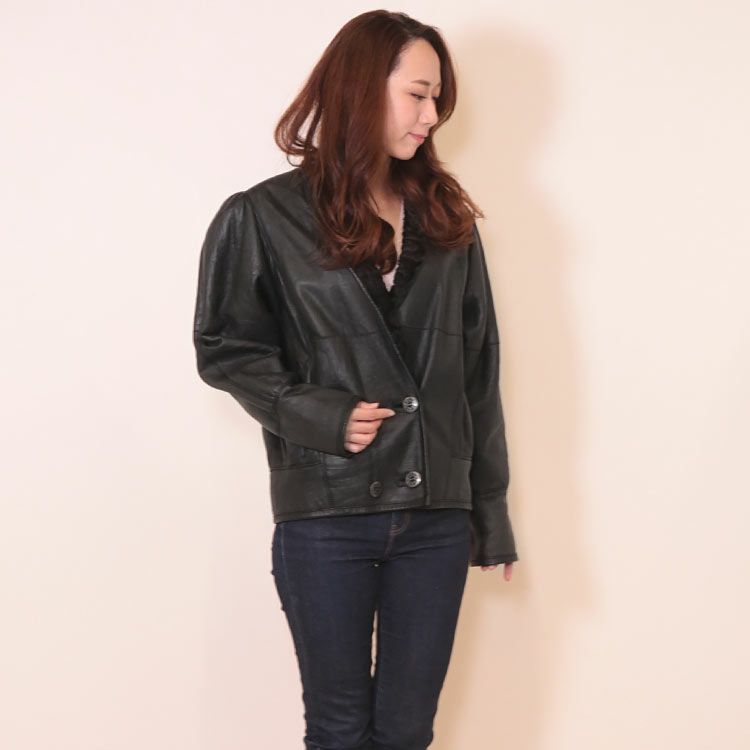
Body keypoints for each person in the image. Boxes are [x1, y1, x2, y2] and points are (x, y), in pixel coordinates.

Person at [192, 10, 519, 750]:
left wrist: (489, 510)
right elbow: (224, 347)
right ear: (361, 90)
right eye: (418, 95)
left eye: (437, 100)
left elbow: (478, 370)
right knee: (339, 731)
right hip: (326, 513)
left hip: (436, 517)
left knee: (407, 732)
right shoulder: (262, 217)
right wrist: (319, 413)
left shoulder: (447, 220)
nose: (431, 117)